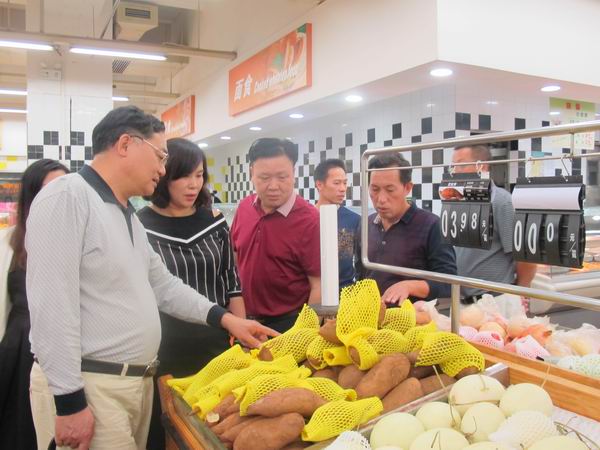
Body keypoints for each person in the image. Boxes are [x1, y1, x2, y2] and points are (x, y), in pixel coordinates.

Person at [25, 106, 277, 450]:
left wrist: (228, 319)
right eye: (160, 155)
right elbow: (51, 307)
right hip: (91, 386)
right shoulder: (67, 197)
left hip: (130, 383)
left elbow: (163, 285)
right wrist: (69, 401)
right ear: (125, 144)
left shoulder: (125, 213)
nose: (162, 168)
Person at [137, 138, 244, 450]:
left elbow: (231, 281)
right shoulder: (141, 226)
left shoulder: (214, 220)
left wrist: (241, 335)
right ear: (164, 176)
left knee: (217, 428)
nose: (193, 184)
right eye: (184, 176)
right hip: (164, 346)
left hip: (216, 342)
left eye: (199, 175)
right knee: (172, 429)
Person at [0, 160, 68, 450]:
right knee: (19, 426)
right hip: (18, 348)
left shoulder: (77, 240)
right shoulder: (9, 241)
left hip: (62, 346)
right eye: (49, 189)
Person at [231, 138, 321, 333]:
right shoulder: (244, 207)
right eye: (264, 178)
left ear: (293, 173)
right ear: (251, 173)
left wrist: (305, 333)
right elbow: (235, 261)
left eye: (282, 177)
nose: (273, 186)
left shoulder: (310, 219)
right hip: (244, 319)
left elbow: (318, 285)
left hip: (289, 324)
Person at [357, 153, 457, 304]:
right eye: (375, 189)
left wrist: (409, 286)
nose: (381, 199)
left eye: (390, 190)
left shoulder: (432, 225)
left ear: (407, 188)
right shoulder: (365, 224)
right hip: (369, 314)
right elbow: (360, 274)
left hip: (413, 316)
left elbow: (449, 283)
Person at [452, 145, 537, 303]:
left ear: (482, 167)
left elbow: (526, 256)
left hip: (496, 300)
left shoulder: (502, 202)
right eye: (453, 166)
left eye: (461, 165)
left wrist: (520, 292)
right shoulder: (458, 202)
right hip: (461, 300)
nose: (455, 172)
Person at [314, 158, 360, 289]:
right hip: (312, 290)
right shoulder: (306, 218)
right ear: (319, 184)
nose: (343, 189)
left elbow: (360, 263)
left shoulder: (354, 219)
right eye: (337, 183)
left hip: (345, 291)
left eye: (345, 183)